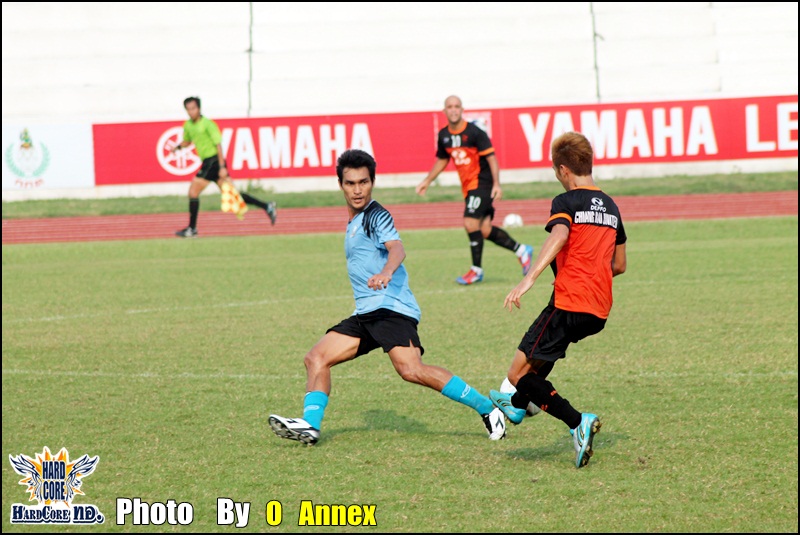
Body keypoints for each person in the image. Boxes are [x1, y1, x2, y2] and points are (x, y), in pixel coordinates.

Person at [268, 149, 507, 445]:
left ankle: (488, 409)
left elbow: (397, 248)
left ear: (373, 182)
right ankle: (310, 426)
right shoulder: (354, 221)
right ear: (341, 185)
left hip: (391, 309)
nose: (357, 190)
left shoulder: (376, 215)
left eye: (364, 182)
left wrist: (387, 271)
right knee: (316, 358)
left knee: (411, 370)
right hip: (366, 313)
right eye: (351, 183)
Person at [488, 132, 627, 469]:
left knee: (518, 373)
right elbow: (620, 265)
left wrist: (529, 277)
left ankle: (577, 421)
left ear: (563, 170)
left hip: (569, 302)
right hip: (598, 310)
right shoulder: (611, 207)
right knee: (538, 362)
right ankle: (518, 406)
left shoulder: (566, 201)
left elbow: (561, 234)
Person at [416, 95, 533, 285]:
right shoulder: (444, 135)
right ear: (444, 111)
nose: (453, 110)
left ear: (462, 109)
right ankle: (522, 250)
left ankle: (476, 270)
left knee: (470, 222)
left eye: (457, 106)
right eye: (450, 106)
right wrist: (427, 181)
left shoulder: (475, 132)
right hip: (468, 187)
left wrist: (497, 184)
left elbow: (492, 158)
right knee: (484, 229)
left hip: (482, 183)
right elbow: (443, 159)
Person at [173, 96, 277, 238]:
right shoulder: (188, 125)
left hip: (213, 161)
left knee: (193, 192)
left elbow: (218, 145)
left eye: (193, 108)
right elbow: (187, 141)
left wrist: (222, 166)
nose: (191, 112)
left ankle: (192, 229)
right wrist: (177, 147)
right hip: (208, 162)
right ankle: (267, 206)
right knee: (233, 194)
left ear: (199, 108)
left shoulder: (208, 124)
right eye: (188, 109)